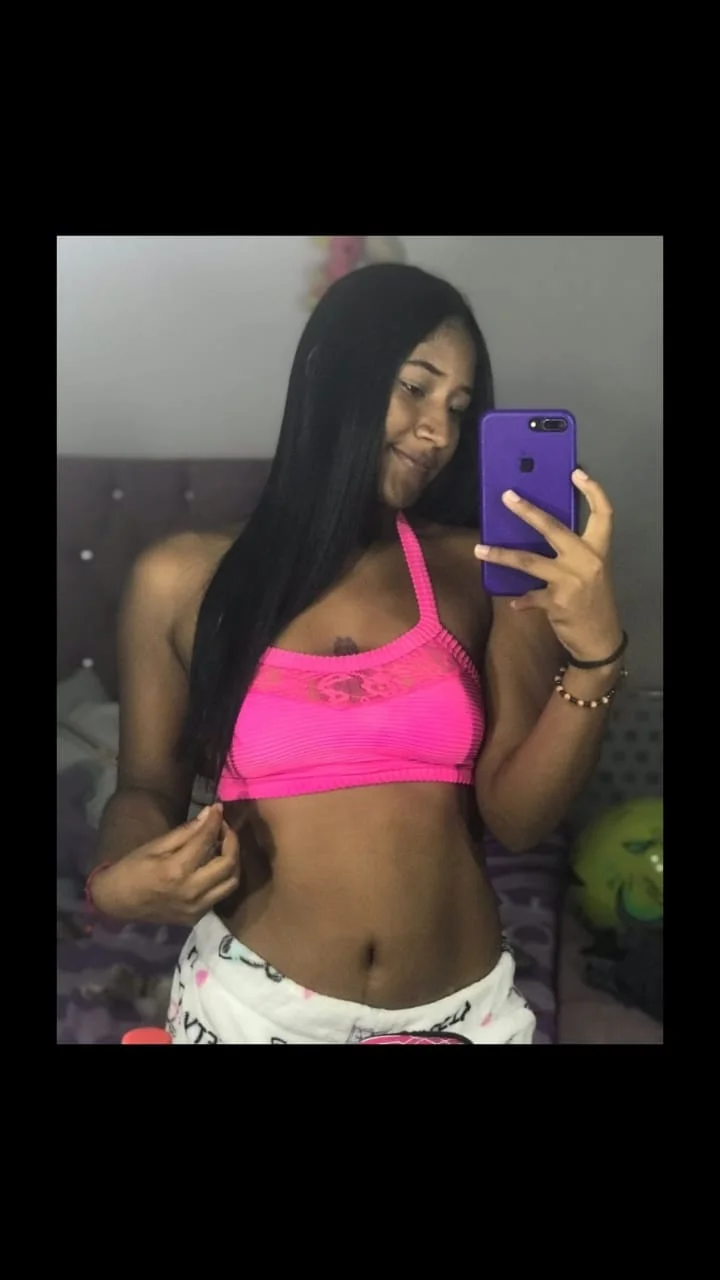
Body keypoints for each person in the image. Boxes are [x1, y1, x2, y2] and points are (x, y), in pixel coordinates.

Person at [88, 263, 626, 1045]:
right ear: (331, 374)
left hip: (460, 1016)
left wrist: (596, 657)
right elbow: (144, 788)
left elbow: (519, 821)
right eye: (416, 388)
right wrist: (116, 883)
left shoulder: (479, 569)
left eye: (458, 408)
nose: (438, 432)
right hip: (250, 1010)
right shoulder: (180, 579)